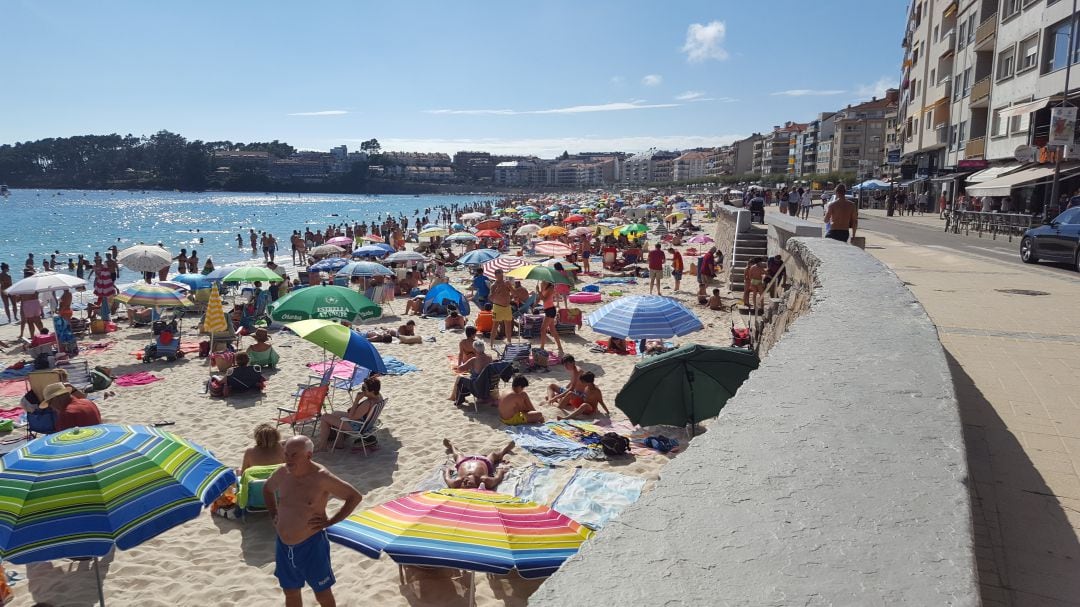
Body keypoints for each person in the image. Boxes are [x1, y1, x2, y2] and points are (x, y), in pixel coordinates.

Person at [262, 435, 362, 607]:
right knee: (291, 592)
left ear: (308, 456)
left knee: (322, 594)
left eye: (294, 455)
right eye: (286, 454)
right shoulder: (282, 472)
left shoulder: (321, 478)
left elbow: (354, 497)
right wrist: (273, 514)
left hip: (311, 546)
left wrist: (331, 521)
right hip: (283, 546)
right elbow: (267, 489)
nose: (288, 460)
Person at [314, 377, 382, 451]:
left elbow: (351, 417)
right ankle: (339, 442)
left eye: (364, 388)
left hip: (357, 426)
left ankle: (322, 447)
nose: (362, 390)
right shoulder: (379, 397)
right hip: (366, 424)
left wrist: (357, 400)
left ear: (372, 391)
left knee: (324, 417)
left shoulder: (368, 403)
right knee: (336, 413)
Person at [442, 438, 515, 490]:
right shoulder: (485, 480)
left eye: (464, 484)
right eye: (469, 484)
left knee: (457, 454)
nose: (465, 481)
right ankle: (505, 449)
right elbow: (497, 478)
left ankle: (451, 446)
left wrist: (447, 471)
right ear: (476, 485)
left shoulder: (457, 482)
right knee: (493, 455)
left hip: (463, 462)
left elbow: (447, 479)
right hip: (484, 462)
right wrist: (501, 470)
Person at [450, 341, 491, 407]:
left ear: (474, 350)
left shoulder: (474, 359)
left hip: (477, 385)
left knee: (461, 379)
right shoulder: (489, 357)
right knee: (467, 377)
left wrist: (461, 365)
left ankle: (459, 401)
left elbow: (460, 369)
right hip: (487, 384)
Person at [536, 280, 563, 357]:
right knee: (552, 330)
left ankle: (542, 347)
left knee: (542, 329)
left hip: (551, 310)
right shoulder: (543, 285)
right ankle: (559, 346)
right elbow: (541, 298)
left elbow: (544, 299)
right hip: (547, 309)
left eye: (544, 280)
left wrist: (538, 291)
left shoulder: (551, 288)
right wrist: (535, 302)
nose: (543, 281)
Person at [488, 269, 514, 348]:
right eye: (499, 275)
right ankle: (491, 343)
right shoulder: (494, 285)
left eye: (502, 274)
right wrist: (496, 291)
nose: (501, 276)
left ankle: (509, 342)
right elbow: (490, 298)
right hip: (497, 307)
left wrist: (510, 287)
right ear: (495, 276)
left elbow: (514, 293)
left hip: (507, 307)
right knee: (495, 326)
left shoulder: (507, 283)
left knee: (508, 326)